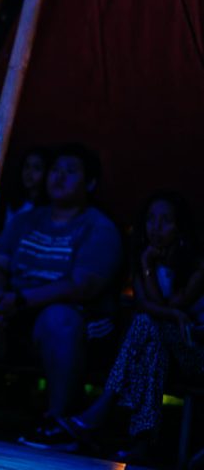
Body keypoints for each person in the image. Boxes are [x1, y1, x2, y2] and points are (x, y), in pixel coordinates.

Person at [0, 143, 123, 443]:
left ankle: (56, 420)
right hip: (13, 315)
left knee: (58, 319)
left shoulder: (98, 227)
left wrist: (21, 301)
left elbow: (82, 286)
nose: (59, 178)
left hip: (73, 325)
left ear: (90, 182)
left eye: (70, 172)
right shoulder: (27, 220)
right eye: (55, 170)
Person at [56, 191, 204, 462]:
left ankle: (101, 412)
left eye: (165, 221)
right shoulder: (142, 257)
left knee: (149, 326)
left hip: (194, 351)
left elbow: (172, 306)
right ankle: (142, 442)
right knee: (150, 335)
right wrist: (147, 265)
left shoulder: (197, 266)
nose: (156, 228)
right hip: (162, 346)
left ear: (180, 226)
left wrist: (152, 275)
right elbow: (152, 308)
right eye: (150, 220)